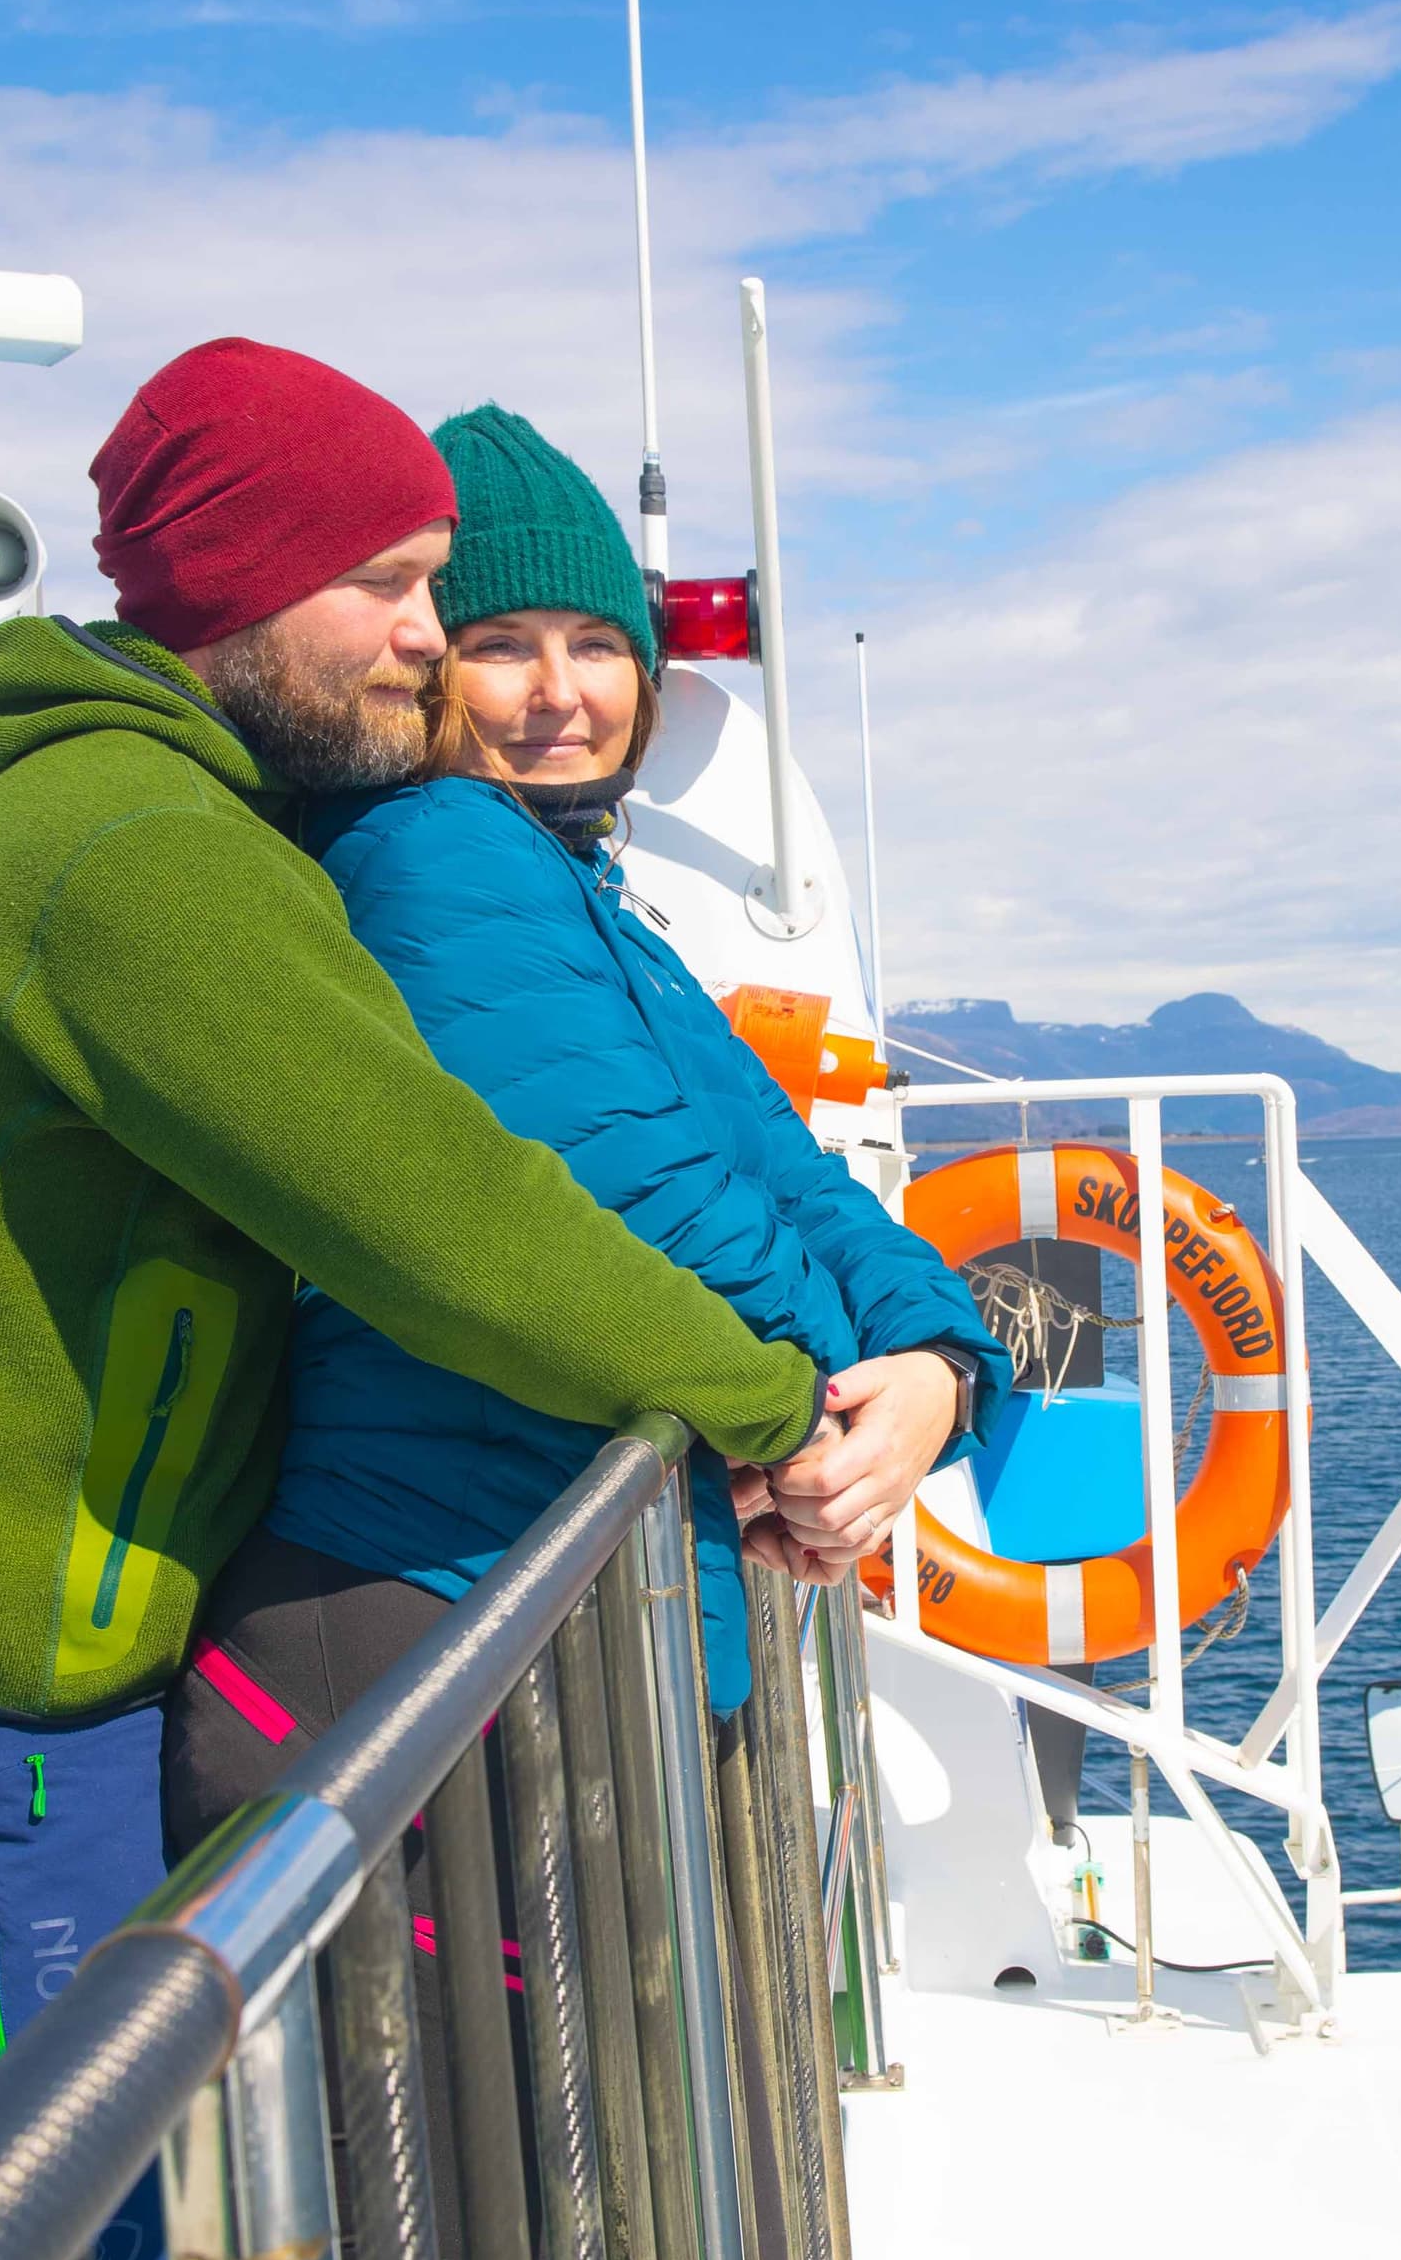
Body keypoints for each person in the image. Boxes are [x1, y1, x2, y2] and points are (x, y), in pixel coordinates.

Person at [0, 343, 831, 2260]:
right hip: (3, 1705)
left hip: (55, 1684)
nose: (430, 645)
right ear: (235, 587)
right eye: (389, 584)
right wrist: (770, 1406)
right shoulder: (137, 860)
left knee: (105, 2231)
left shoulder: (162, 820)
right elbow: (457, 1221)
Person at [163, 402, 1009, 1853]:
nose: (560, 692)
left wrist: (933, 1363)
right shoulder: (426, 848)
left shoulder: (583, 893)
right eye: (501, 644)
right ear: (426, 658)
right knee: (485, 2082)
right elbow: (621, 1188)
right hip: (422, 1614)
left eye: (599, 645)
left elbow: (786, 1175)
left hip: (530, 1605)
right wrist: (822, 1414)